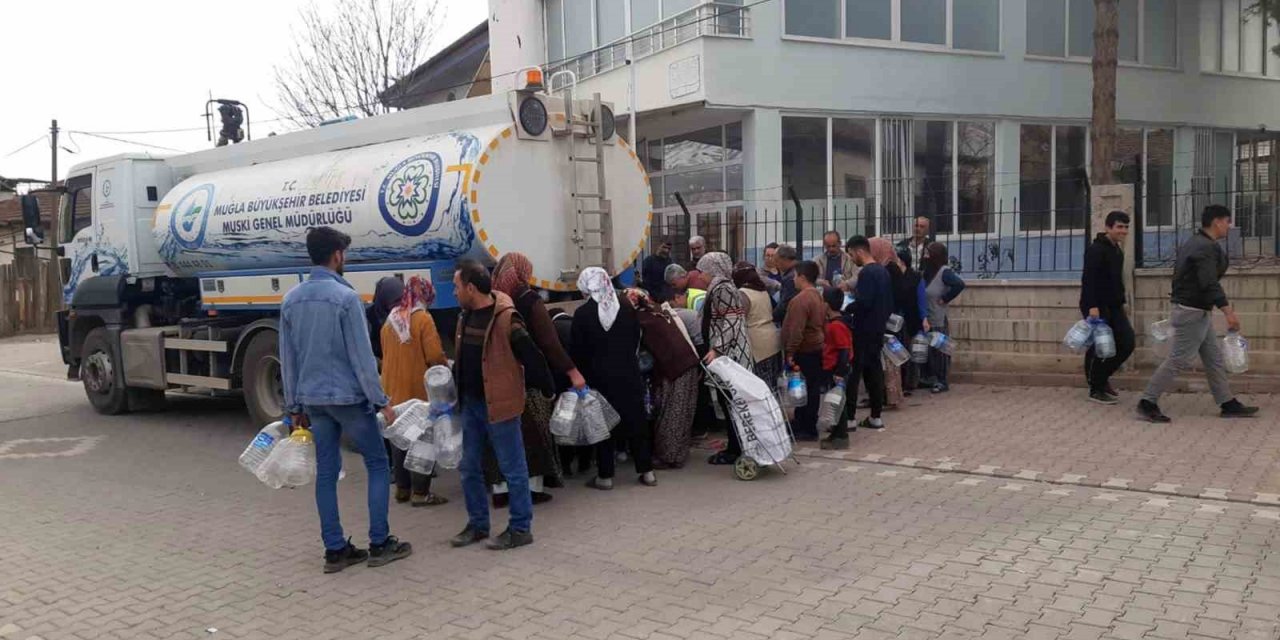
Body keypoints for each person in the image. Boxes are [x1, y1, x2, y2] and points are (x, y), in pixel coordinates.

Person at [280, 227, 411, 574]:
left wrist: (293, 407)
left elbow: (288, 358)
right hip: (350, 399)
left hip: (313, 401)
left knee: (326, 471)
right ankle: (381, 542)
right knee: (377, 464)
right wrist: (381, 400)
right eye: (344, 253)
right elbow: (362, 358)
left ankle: (335, 550)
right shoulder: (346, 298)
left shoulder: (291, 300)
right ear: (337, 254)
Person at [449, 260, 554, 551]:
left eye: (456, 286)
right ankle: (478, 525)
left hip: (501, 405)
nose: (454, 291)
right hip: (470, 405)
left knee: (513, 469)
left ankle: (521, 528)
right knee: (469, 467)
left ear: (471, 287)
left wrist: (547, 388)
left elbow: (531, 355)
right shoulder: (464, 317)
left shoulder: (508, 318)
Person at [1138, 205, 1259, 423]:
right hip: (1191, 312)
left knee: (1213, 359)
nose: (1229, 226)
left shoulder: (1198, 242)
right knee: (1179, 360)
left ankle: (1227, 402)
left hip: (1196, 311)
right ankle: (1147, 401)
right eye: (1227, 221)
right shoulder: (1204, 247)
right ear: (1216, 222)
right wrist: (1228, 312)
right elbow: (1208, 283)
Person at [488, 252, 587, 505]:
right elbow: (549, 342)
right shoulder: (528, 300)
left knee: (503, 436)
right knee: (533, 435)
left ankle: (500, 490)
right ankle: (532, 489)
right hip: (528, 377)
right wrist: (571, 371)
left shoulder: (493, 299)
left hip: (498, 377)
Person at [572, 267, 658, 489]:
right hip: (629, 372)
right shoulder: (627, 309)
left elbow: (577, 351)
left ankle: (605, 476)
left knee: (603, 425)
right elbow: (634, 341)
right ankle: (647, 471)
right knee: (637, 422)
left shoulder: (582, 314)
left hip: (598, 377)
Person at [379, 275, 448, 507]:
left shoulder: (390, 320)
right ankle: (421, 493)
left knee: (400, 439)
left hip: (392, 392)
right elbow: (435, 356)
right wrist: (446, 372)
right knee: (422, 441)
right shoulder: (422, 319)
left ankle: (402, 489)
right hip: (418, 392)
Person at [831, 236, 892, 446]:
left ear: (858, 252)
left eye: (850, 254)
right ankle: (876, 416)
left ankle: (849, 418)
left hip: (863, 329)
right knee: (874, 372)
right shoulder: (883, 271)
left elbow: (864, 302)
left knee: (854, 372)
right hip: (878, 329)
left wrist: (847, 308)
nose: (850, 258)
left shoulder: (867, 273)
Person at [699, 252, 755, 465]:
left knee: (731, 401)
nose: (700, 276)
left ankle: (735, 449)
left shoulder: (722, 289)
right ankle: (734, 444)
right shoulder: (721, 288)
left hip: (730, 355)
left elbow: (731, 321)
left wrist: (717, 349)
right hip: (728, 354)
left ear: (712, 271)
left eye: (703, 271)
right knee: (729, 401)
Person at [633, 291, 700, 468]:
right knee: (682, 411)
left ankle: (668, 457)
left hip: (676, 368)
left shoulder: (641, 320)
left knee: (672, 413)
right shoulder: (657, 311)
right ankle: (677, 454)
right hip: (688, 362)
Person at [1079, 211, 1136, 405]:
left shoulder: (1116, 250)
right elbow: (1088, 281)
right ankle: (1096, 388)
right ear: (1108, 228)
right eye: (1119, 227)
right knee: (1099, 348)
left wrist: (1122, 302)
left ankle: (1101, 380)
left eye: (1126, 227)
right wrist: (1092, 307)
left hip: (1114, 306)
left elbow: (1116, 281)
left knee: (1126, 342)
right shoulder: (1096, 250)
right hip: (1097, 306)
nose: (1124, 231)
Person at [781, 260, 826, 441]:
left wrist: (790, 352)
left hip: (805, 350)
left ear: (802, 277)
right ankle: (804, 422)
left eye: (795, 276)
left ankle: (806, 426)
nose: (793, 280)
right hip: (815, 347)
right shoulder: (817, 295)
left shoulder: (801, 300)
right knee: (812, 388)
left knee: (804, 389)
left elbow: (796, 329)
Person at [921, 242, 966, 394]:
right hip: (926, 317)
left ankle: (942, 380)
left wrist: (945, 298)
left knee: (941, 351)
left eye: (928, 253)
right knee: (928, 351)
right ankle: (929, 378)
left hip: (938, 318)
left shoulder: (944, 272)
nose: (925, 256)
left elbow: (959, 284)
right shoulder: (927, 272)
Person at [870, 238, 908, 408]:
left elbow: (894, 295)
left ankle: (888, 396)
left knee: (888, 361)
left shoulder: (888, 270)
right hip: (892, 320)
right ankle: (889, 396)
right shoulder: (891, 268)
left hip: (888, 321)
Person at [734, 261, 782, 386]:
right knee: (773, 384)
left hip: (757, 343)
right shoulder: (763, 291)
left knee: (762, 385)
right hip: (772, 339)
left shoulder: (743, 293)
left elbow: (740, 318)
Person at [820, 286, 854, 442]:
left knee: (837, 400)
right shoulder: (835, 323)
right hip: (833, 367)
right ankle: (836, 431)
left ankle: (840, 434)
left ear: (826, 305)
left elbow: (844, 350)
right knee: (835, 399)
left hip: (837, 368)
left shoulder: (837, 326)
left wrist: (839, 371)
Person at [895, 247, 930, 394]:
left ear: (902, 261)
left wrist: (924, 318)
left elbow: (921, 299)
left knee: (912, 351)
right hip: (896, 321)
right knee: (898, 352)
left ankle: (911, 382)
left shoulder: (916, 277)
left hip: (911, 319)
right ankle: (900, 383)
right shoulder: (893, 276)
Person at [366, 277, 404, 362]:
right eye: (395, 301)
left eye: (401, 300)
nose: (398, 306)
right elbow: (363, 351)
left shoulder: (407, 315)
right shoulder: (367, 318)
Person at [771, 244, 800, 323]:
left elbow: (786, 304)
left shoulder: (790, 278)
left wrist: (772, 317)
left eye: (777, 260)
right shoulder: (801, 270)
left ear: (784, 259)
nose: (775, 264)